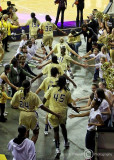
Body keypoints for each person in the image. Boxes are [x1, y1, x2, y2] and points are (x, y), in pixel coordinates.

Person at [10, 80, 60, 144]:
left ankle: (25, 148)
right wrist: (55, 113)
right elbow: (42, 106)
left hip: (22, 115)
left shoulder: (17, 93)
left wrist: (19, 107)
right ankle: (30, 147)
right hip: (32, 115)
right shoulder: (33, 95)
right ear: (30, 86)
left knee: (26, 132)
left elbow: (12, 105)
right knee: (36, 133)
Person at [43, 76, 78, 159]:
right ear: (65, 82)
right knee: (63, 127)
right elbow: (69, 103)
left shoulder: (52, 89)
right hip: (62, 113)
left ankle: (57, 148)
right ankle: (66, 142)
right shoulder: (67, 92)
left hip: (53, 113)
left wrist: (44, 106)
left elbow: (44, 99)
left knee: (56, 131)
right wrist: (74, 108)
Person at [36, 67, 59, 135]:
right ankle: (49, 125)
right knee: (51, 113)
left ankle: (46, 128)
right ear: (56, 74)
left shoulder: (46, 79)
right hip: (54, 100)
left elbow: (39, 89)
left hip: (46, 99)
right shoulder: (57, 80)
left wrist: (34, 95)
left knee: (48, 112)